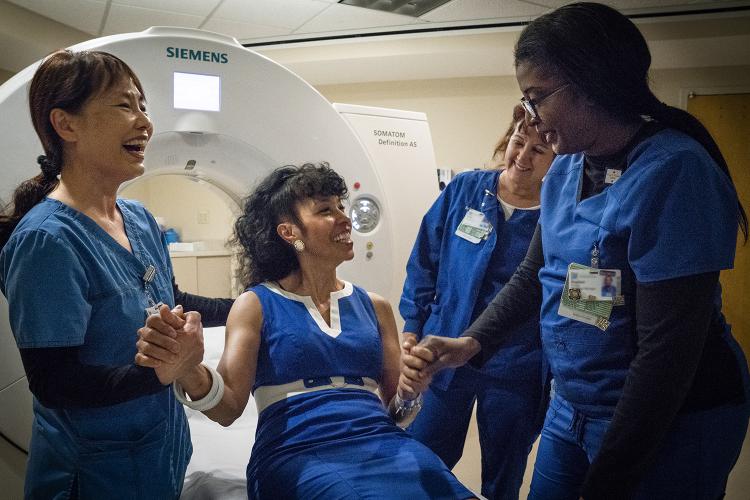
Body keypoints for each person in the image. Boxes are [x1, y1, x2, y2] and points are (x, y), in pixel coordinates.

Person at [402, 3, 750, 499]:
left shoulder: (674, 172)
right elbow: (533, 274)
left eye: (536, 97)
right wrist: (469, 344)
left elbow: (666, 357)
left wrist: (608, 478)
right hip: (573, 403)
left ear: (592, 83)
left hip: (668, 416)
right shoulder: (566, 168)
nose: (530, 118)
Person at [136, 163, 476, 499]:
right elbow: (227, 409)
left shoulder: (375, 306)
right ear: (289, 232)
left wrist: (412, 391)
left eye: (342, 207)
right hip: (297, 450)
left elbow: (398, 415)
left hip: (381, 441)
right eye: (326, 210)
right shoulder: (256, 304)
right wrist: (188, 369)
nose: (345, 218)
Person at [0, 49, 216, 499]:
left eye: (143, 106)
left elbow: (172, 299)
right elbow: (54, 381)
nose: (144, 122)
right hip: (95, 475)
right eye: (124, 105)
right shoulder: (48, 241)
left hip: (159, 453)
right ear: (67, 124)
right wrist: (162, 372)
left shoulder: (137, 218)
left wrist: (256, 302)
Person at [399, 104, 554, 499]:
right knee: (424, 455)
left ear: (558, 161)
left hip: (516, 362)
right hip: (443, 348)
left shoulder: (556, 214)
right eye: (519, 142)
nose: (522, 156)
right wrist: (412, 328)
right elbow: (424, 262)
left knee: (504, 471)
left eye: (538, 151)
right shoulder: (466, 189)